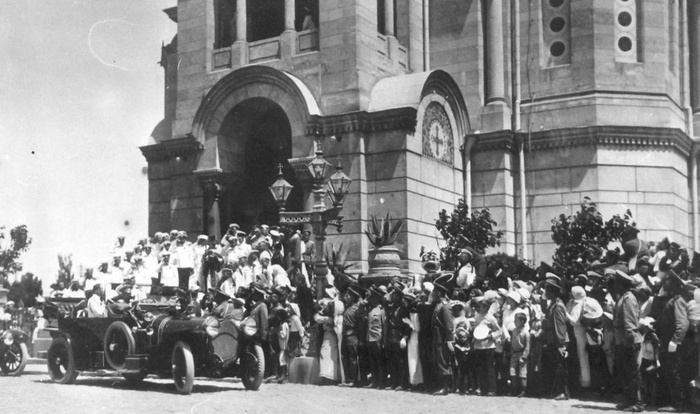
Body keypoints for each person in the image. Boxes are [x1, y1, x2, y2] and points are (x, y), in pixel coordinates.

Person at [611, 269, 643, 412]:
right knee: (625, 373)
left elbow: (629, 322)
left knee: (632, 373)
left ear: (622, 284)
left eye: (617, 282)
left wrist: (630, 342)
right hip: (621, 341)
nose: (615, 285)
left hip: (628, 341)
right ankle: (629, 400)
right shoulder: (623, 297)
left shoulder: (628, 299)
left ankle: (637, 402)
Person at [541, 277, 569, 400]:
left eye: (547, 290)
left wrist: (561, 344)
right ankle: (556, 391)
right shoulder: (552, 305)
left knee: (560, 367)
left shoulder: (558, 306)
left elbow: (560, 326)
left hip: (557, 341)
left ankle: (562, 392)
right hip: (551, 340)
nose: (545, 293)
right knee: (554, 367)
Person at [430, 273, 455, 396]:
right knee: (440, 362)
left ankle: (445, 387)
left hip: (442, 339)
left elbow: (449, 325)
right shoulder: (438, 305)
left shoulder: (445, 307)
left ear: (439, 293)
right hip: (437, 338)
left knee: (443, 362)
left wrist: (450, 340)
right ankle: (444, 385)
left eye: (434, 292)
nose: (432, 294)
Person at [364, 285, 385, 389]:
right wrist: (365, 301)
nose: (371, 299)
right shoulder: (368, 310)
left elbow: (385, 326)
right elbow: (360, 314)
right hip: (369, 338)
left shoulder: (381, 310)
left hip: (378, 338)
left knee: (379, 361)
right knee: (372, 361)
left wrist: (383, 341)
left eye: (373, 297)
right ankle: (374, 381)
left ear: (377, 298)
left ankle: (381, 382)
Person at [510, 311, 530, 397]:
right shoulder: (514, 331)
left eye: (516, 320)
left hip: (521, 354)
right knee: (513, 372)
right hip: (514, 354)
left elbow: (528, 346)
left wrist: (524, 356)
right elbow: (512, 342)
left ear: (522, 321)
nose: (514, 322)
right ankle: (514, 390)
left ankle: (523, 391)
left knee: (522, 374)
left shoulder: (526, 333)